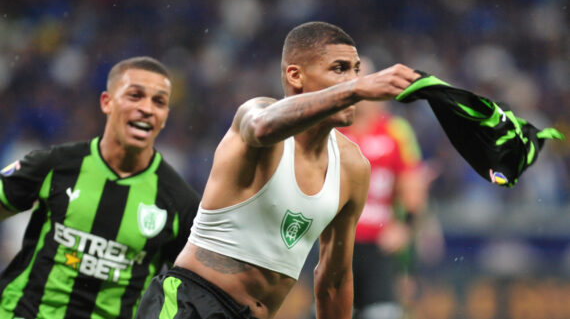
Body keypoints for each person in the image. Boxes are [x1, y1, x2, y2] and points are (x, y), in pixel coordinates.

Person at [136, 21, 420, 319]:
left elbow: (334, 282)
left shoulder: (353, 167)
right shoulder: (256, 115)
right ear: (295, 75)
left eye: (356, 70)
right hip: (190, 304)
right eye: (340, 69)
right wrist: (353, 89)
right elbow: (261, 127)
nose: (353, 81)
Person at [0, 56, 201, 319]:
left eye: (159, 101)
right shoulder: (56, 165)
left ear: (164, 117)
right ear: (107, 102)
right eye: (135, 95)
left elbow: (200, 286)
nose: (147, 108)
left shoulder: (179, 201)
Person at [338, 57, 435, 319]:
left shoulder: (395, 131)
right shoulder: (331, 130)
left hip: (378, 247)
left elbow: (412, 189)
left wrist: (405, 228)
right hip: (335, 245)